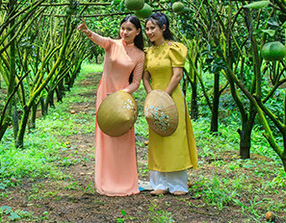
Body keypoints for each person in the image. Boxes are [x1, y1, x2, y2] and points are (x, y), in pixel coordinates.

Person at [77, 15, 145, 196]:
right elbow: (99, 39)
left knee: (123, 138)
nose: (125, 32)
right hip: (105, 95)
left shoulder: (140, 55)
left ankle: (125, 180)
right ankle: (106, 180)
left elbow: (136, 82)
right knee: (107, 136)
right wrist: (87, 31)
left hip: (122, 99)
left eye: (129, 29)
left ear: (138, 31)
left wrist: (122, 95)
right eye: (123, 28)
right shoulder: (111, 45)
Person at [142, 12, 198, 196]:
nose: (149, 32)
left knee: (174, 137)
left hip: (172, 96)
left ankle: (178, 185)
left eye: (153, 28)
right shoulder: (147, 52)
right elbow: (146, 77)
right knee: (157, 138)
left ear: (163, 28)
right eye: (147, 28)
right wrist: (152, 97)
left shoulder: (175, 48)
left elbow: (177, 75)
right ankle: (160, 183)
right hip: (155, 98)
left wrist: (163, 98)